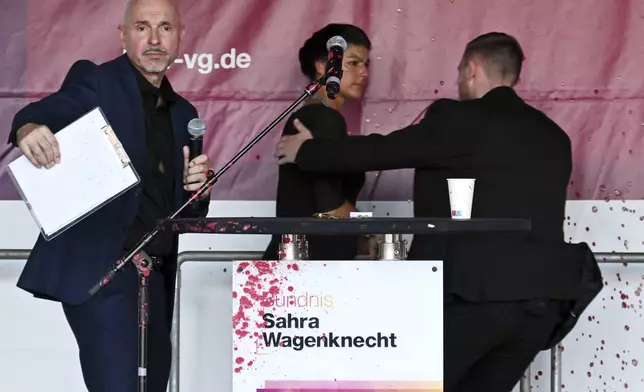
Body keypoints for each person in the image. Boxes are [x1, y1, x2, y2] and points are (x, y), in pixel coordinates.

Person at [275, 32, 597, 391]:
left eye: (460, 70)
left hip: (472, 301)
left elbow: (387, 150)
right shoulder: (554, 136)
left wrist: (309, 152)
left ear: (472, 69)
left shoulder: (458, 118)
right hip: (540, 309)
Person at [7, 0, 211, 391]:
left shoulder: (184, 113)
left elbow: (188, 216)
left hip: (155, 276)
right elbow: (38, 115)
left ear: (181, 36)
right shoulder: (97, 81)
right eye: (142, 28)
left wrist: (199, 190)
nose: (154, 39)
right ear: (123, 35)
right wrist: (28, 130)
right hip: (105, 271)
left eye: (165, 28)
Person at [262, 23, 374, 261]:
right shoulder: (323, 118)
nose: (364, 72)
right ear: (323, 66)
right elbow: (331, 210)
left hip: (303, 267)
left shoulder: (312, 115)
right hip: (310, 275)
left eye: (366, 64)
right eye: (353, 63)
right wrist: (370, 229)